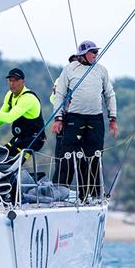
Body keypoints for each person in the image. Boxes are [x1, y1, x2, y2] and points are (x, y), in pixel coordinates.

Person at [51, 40, 118, 201]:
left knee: (94, 156)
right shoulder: (69, 69)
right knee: (69, 154)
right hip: (74, 118)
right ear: (83, 54)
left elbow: (109, 94)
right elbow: (59, 95)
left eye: (96, 52)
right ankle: (62, 191)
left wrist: (113, 118)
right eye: (93, 52)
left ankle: (93, 193)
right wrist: (58, 119)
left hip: (95, 119)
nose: (96, 54)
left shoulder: (101, 70)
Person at [0, 68, 45, 159]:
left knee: (9, 161)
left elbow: (9, 118)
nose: (12, 83)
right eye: (10, 80)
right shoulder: (9, 95)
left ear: (23, 82)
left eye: (16, 80)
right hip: (19, 138)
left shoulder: (28, 98)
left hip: (33, 140)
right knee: (0, 158)